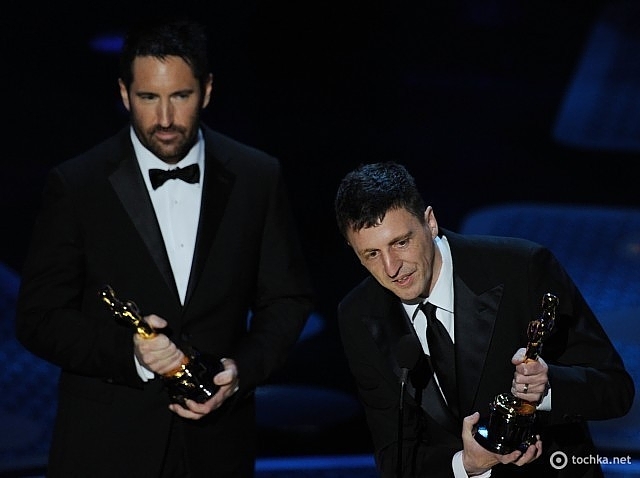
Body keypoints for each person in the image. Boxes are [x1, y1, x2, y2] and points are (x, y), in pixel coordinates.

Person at [15, 16, 314, 478]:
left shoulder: (257, 176)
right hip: (105, 449)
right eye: (148, 98)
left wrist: (241, 371)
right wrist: (131, 354)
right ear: (124, 93)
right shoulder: (77, 185)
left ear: (207, 90)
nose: (165, 119)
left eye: (181, 96)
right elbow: (38, 318)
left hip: (217, 448)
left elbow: (287, 298)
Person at [334, 161, 634, 477]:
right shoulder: (359, 314)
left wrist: (547, 390)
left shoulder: (522, 269)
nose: (391, 268)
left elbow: (616, 390)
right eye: (372, 254)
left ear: (430, 222)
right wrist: (466, 465)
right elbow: (395, 455)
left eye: (401, 242)